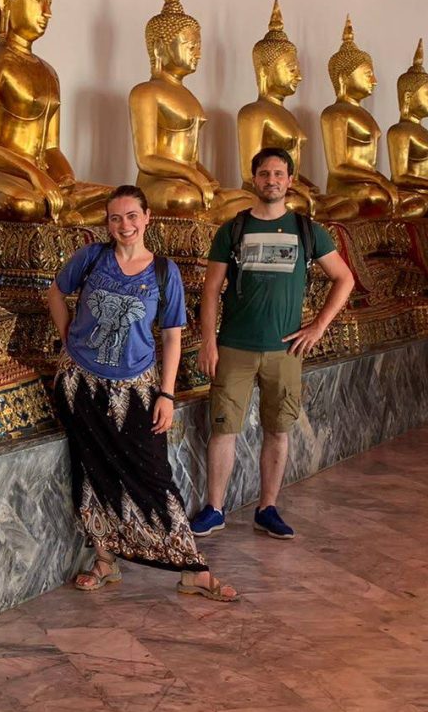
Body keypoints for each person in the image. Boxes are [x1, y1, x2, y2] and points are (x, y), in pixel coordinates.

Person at [46, 185, 238, 601]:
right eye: (115, 218)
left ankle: (193, 568)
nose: (124, 225)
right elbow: (56, 293)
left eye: (132, 216)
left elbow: (171, 337)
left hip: (135, 387)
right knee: (90, 469)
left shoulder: (164, 272)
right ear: (107, 223)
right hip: (80, 382)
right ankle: (104, 560)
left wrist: (166, 395)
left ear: (147, 217)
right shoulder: (91, 258)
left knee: (154, 473)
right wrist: (67, 339)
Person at [189, 148, 355, 541]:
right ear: (254, 179)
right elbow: (211, 290)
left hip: (285, 350)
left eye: (279, 174)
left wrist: (318, 327)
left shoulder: (306, 230)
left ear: (290, 181)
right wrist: (208, 342)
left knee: (278, 428)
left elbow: (344, 278)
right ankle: (215, 508)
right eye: (264, 174)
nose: (272, 180)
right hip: (234, 346)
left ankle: (268, 508)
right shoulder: (233, 230)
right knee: (223, 428)